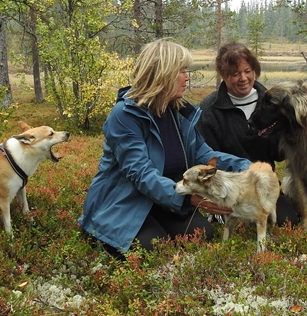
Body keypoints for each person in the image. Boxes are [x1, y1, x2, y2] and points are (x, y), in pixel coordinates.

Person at [78, 39, 252, 258]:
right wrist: (187, 198)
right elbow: (139, 173)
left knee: (201, 233)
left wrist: (249, 168)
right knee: (151, 248)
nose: (187, 77)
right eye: (182, 71)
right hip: (125, 201)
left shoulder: (177, 112)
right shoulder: (124, 116)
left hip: (166, 199)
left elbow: (205, 155)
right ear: (163, 74)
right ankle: (98, 230)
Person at [197, 41, 299, 226]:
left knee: (287, 221)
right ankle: (218, 214)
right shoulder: (209, 110)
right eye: (235, 74)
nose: (243, 78)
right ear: (224, 76)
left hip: (264, 187)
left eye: (248, 71)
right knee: (246, 223)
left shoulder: (271, 102)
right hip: (228, 189)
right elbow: (207, 160)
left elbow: (279, 153)